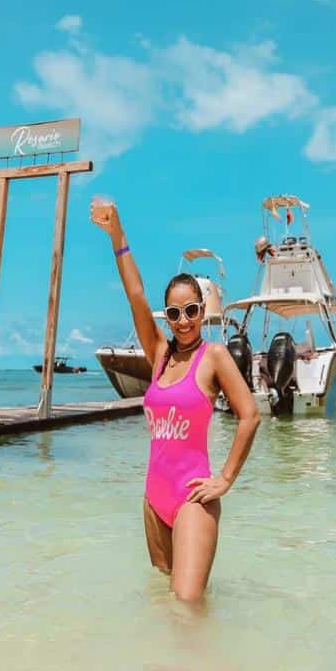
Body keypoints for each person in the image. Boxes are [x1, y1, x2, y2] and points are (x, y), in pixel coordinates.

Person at [92, 199, 260, 602]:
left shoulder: (214, 357)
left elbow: (250, 416)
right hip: (154, 499)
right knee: (166, 603)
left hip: (193, 499)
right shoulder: (160, 354)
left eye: (191, 310)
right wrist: (117, 236)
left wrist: (225, 479)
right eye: (174, 312)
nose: (183, 320)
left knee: (187, 604)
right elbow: (135, 295)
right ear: (166, 316)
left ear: (202, 311)